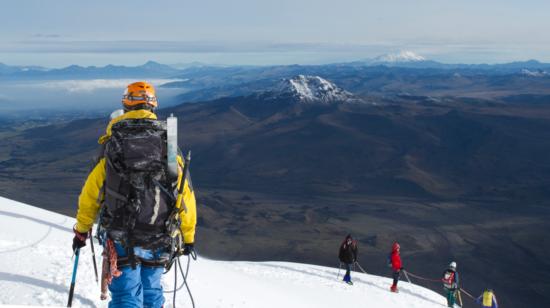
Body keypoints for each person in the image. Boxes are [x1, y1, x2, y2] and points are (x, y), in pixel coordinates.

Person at [72, 81, 197, 308]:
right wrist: (187, 237)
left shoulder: (114, 144)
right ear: (153, 106)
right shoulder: (168, 145)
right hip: (160, 234)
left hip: (121, 236)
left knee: (126, 297)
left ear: (126, 105)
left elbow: (91, 193)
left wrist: (82, 230)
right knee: (152, 293)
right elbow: (185, 195)